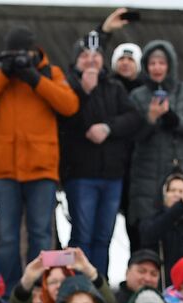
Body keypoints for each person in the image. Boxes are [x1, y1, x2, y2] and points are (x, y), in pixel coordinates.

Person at [0, 26, 79, 291]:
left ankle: (38, 289)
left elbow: (69, 105)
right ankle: (8, 291)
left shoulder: (49, 73)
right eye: (14, 53)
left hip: (41, 168)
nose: (19, 59)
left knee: (40, 233)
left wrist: (35, 79)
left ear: (34, 52)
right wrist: (2, 75)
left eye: (23, 53)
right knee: (6, 237)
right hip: (5, 170)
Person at [61, 32, 141, 279]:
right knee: (82, 236)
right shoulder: (67, 86)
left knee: (103, 237)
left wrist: (108, 128)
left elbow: (133, 118)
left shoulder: (114, 86)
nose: (91, 60)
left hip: (111, 174)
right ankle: (76, 286)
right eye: (85, 56)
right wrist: (85, 92)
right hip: (81, 174)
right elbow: (69, 121)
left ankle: (100, 286)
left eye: (96, 55)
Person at [127, 40, 183, 234]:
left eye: (162, 63)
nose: (157, 68)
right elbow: (131, 135)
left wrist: (175, 120)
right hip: (146, 175)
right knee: (148, 231)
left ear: (170, 65)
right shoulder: (137, 95)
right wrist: (151, 119)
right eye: (152, 63)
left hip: (181, 170)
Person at [138, 170, 183, 274]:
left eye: (181, 191)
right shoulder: (152, 220)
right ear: (164, 194)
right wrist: (181, 205)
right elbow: (149, 235)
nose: (177, 195)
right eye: (172, 190)